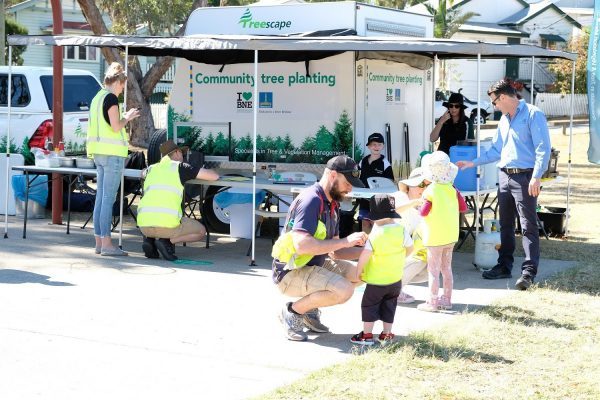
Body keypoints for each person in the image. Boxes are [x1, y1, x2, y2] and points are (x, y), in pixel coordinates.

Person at [456, 79, 551, 290]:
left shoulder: (534, 114)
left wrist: (536, 176)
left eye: (495, 102)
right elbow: (495, 151)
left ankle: (528, 272)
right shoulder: (504, 120)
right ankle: (504, 266)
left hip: (525, 177)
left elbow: (543, 149)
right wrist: (473, 162)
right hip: (504, 176)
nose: (494, 106)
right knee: (505, 225)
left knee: (527, 225)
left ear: (506, 97)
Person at [272, 155, 368, 341]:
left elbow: (335, 252)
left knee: (364, 271)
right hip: (290, 272)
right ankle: (293, 312)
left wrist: (370, 251)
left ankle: (308, 309)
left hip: (313, 266)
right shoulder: (312, 200)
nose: (350, 188)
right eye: (348, 183)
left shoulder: (332, 204)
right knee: (344, 290)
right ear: (333, 175)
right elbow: (302, 245)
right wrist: (346, 240)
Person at [87, 62, 140, 257]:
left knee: (101, 198)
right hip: (112, 155)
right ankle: (108, 244)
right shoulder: (110, 98)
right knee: (108, 199)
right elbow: (117, 126)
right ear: (117, 81)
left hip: (98, 153)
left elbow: (107, 124)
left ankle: (100, 243)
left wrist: (122, 117)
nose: (122, 89)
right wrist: (128, 117)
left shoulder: (97, 97)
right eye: (122, 85)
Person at [137, 140, 219, 261]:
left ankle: (150, 240)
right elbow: (214, 177)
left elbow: (142, 173)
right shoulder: (180, 167)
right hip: (167, 226)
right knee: (201, 231)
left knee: (156, 222)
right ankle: (167, 241)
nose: (183, 157)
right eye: (182, 153)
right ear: (176, 153)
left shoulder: (151, 169)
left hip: (144, 226)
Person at [350, 194, 413, 345]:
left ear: (375, 217)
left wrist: (359, 270)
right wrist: (399, 257)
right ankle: (387, 334)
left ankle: (366, 335)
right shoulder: (401, 230)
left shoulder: (376, 234)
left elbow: (366, 254)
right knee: (390, 305)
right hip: (395, 279)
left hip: (376, 280)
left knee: (369, 306)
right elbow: (410, 248)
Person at [417, 151, 467, 312]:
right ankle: (447, 299)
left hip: (434, 237)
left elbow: (423, 212)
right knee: (447, 269)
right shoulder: (452, 189)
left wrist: (419, 205)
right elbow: (463, 208)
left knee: (433, 270)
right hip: (450, 236)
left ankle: (432, 302)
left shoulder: (430, 191)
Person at [392, 166, 429, 304]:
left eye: (427, 185)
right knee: (419, 259)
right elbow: (389, 213)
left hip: (404, 250)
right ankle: (393, 291)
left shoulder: (424, 206)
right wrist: (413, 203)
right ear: (409, 186)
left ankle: (393, 288)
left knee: (427, 265)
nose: (423, 189)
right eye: (420, 184)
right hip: (387, 251)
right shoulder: (399, 196)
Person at [358, 132, 395, 233]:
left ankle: (375, 246)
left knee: (376, 224)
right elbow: (357, 178)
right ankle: (365, 245)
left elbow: (390, 183)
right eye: (374, 144)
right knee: (365, 223)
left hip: (378, 200)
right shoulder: (363, 161)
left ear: (383, 146)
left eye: (379, 144)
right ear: (369, 146)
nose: (376, 147)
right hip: (364, 199)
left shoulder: (385, 163)